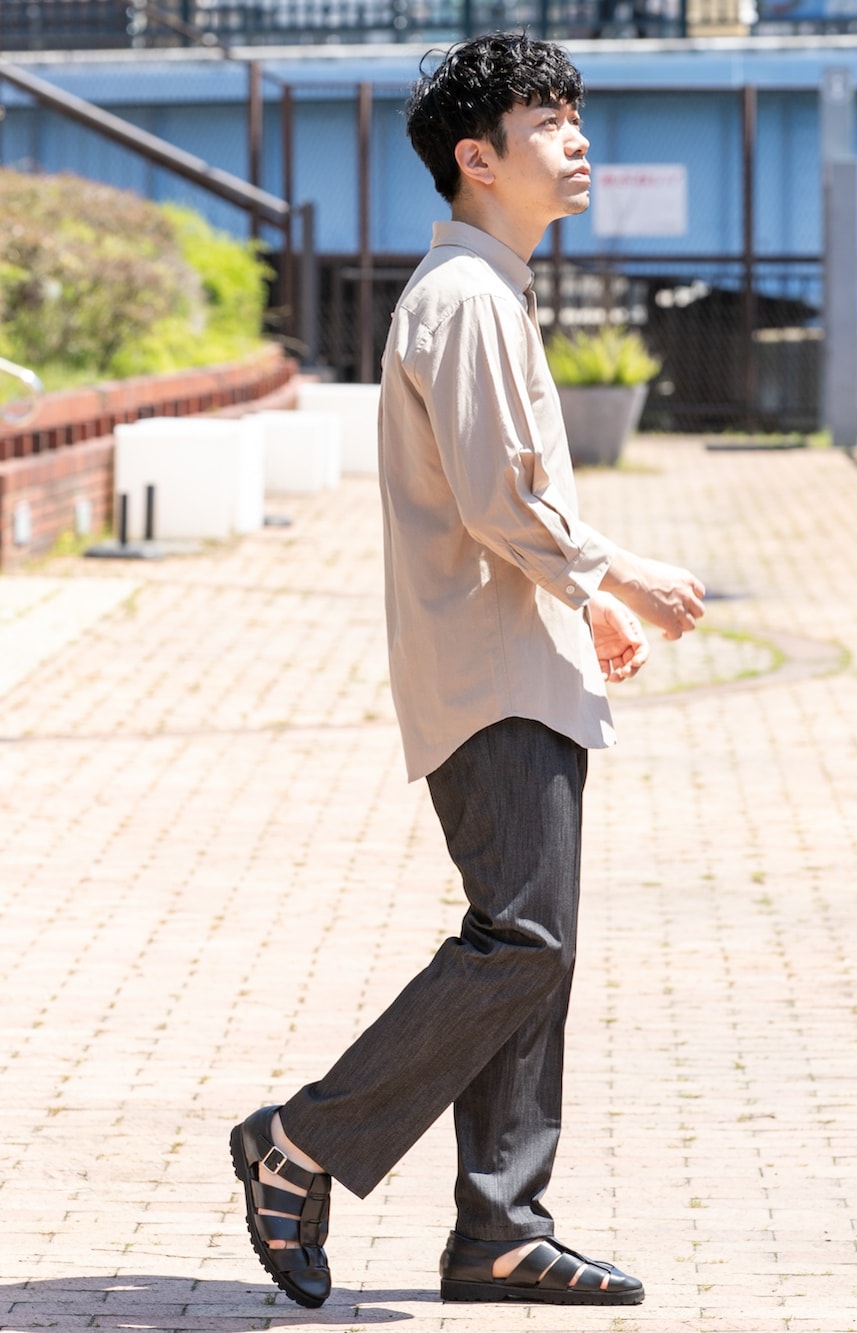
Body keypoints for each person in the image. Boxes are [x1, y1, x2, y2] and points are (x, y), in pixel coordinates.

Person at [230, 31, 705, 1310]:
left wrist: (581, 609)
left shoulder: (488, 290)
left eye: (573, 114)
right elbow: (501, 500)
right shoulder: (467, 300)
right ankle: (301, 1142)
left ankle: (498, 1228)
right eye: (547, 120)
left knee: (530, 948)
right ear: (476, 158)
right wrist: (620, 578)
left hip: (512, 660)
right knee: (523, 944)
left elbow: (504, 499)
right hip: (488, 673)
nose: (577, 138)